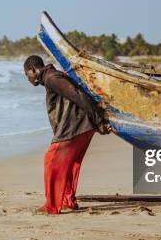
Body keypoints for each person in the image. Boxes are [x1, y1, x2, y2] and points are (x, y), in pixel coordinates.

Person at [23, 55, 109, 215]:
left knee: (52, 159)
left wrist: (98, 120)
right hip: (81, 126)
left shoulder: (51, 77)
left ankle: (52, 206)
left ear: (34, 70)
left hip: (75, 127)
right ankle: (67, 201)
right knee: (69, 163)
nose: (27, 78)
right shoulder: (51, 77)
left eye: (27, 74)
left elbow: (77, 95)